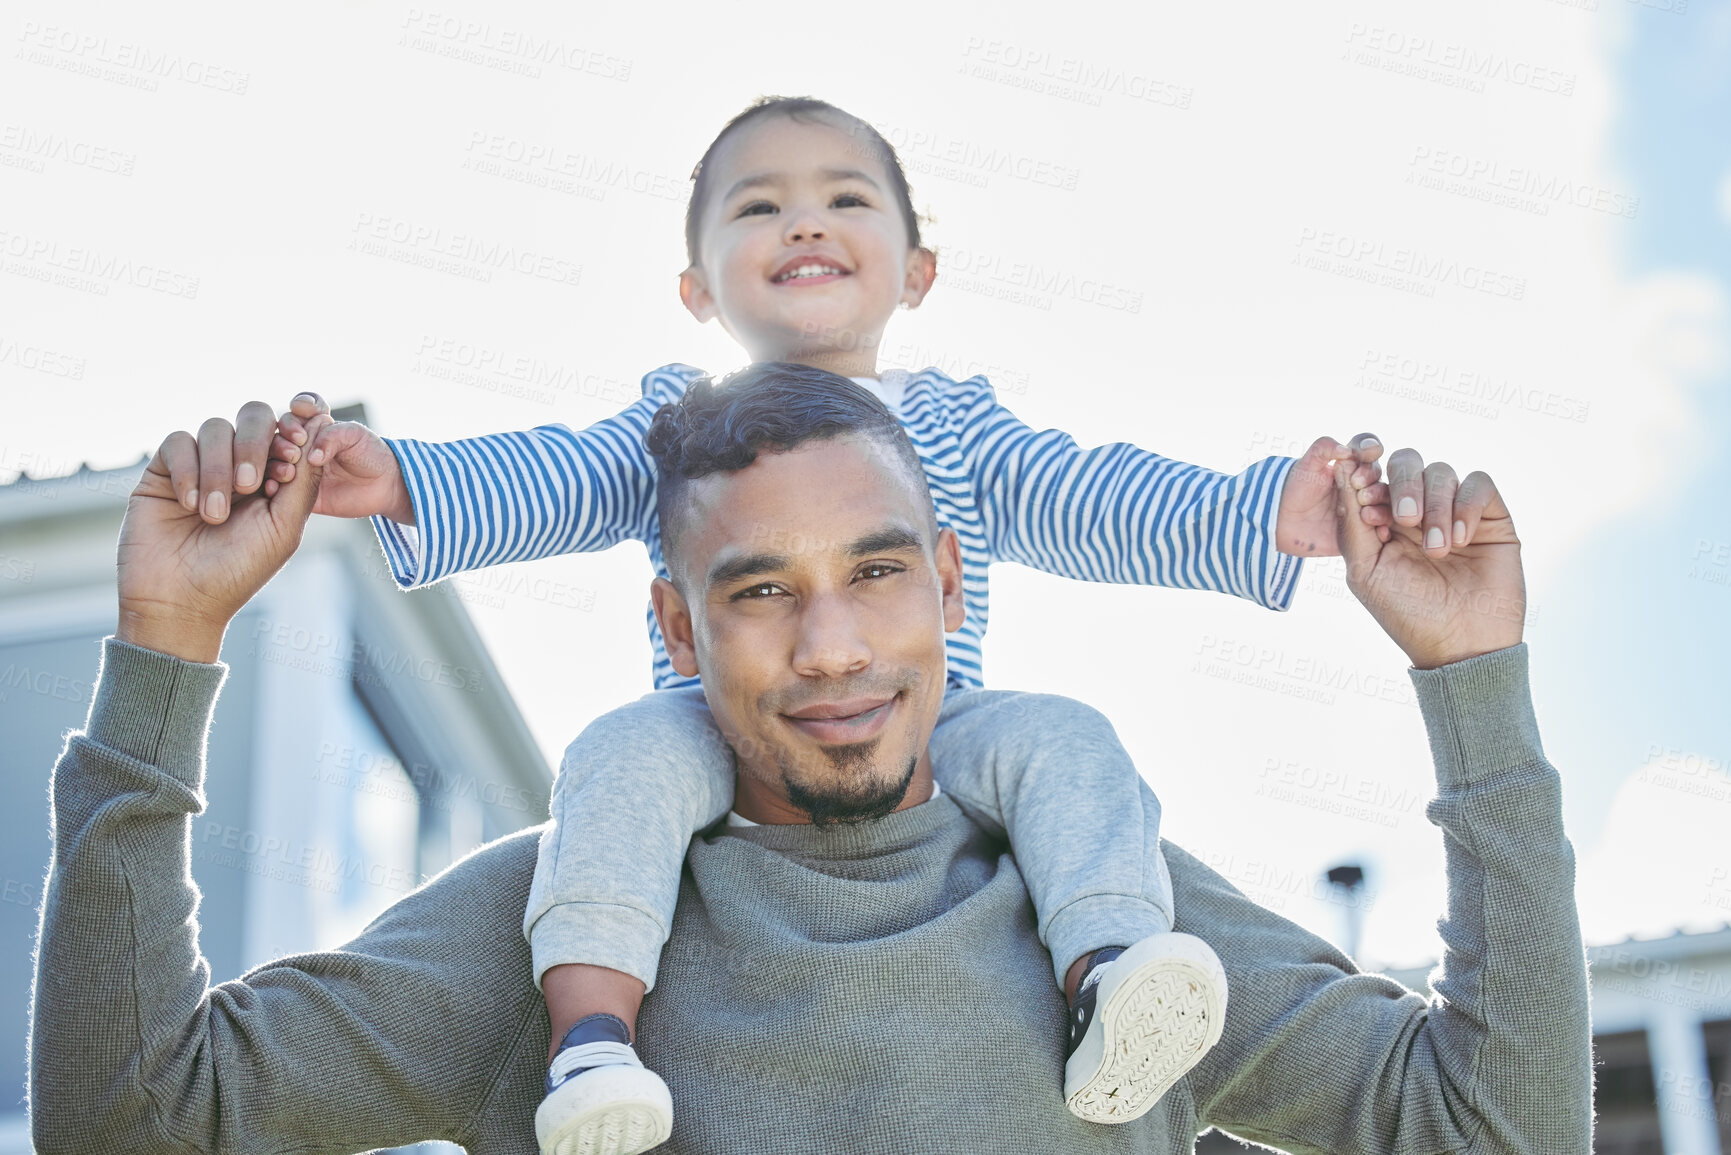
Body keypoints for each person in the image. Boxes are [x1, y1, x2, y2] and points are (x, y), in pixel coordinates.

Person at [237, 95, 1398, 1152]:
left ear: (918, 271)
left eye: (846, 198)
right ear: (698, 290)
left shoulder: (955, 427)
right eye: (759, 207)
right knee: (618, 761)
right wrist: (402, 482)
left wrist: (1260, 514)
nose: (804, 222)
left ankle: (1108, 979)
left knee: (1068, 738)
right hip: (720, 727)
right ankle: (592, 1047)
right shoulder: (680, 426)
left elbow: (1101, 498)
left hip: (937, 727)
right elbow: (546, 477)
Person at [30, 370, 1591, 1155]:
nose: (832, 645)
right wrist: (167, 642)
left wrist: (1471, 684)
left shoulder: (1111, 913)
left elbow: (1494, 1128)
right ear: (675, 623)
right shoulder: (560, 920)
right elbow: (134, 1116)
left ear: (950, 584)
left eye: (877, 571)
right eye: (760, 588)